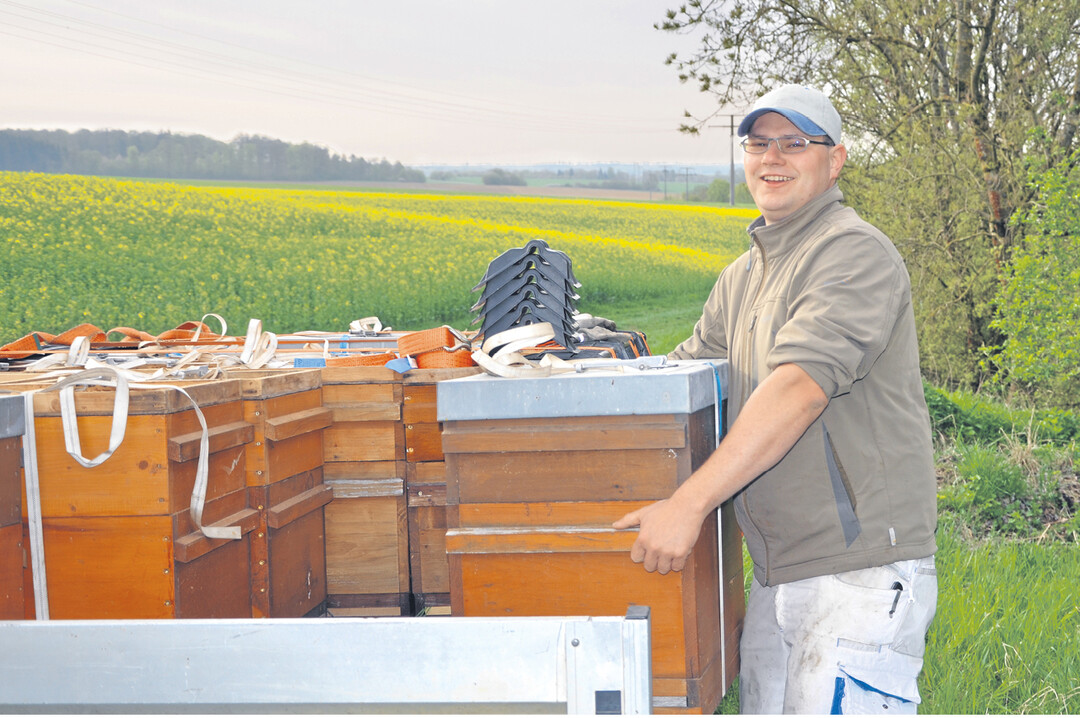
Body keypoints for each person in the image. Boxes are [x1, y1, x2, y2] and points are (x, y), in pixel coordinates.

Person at [613, 84, 938, 714]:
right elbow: (685, 371)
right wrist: (568, 363)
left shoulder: (853, 251)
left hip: (856, 574)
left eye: (795, 142)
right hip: (780, 572)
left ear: (835, 160)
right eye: (759, 143)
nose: (773, 158)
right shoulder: (745, 274)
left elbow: (798, 388)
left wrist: (690, 503)